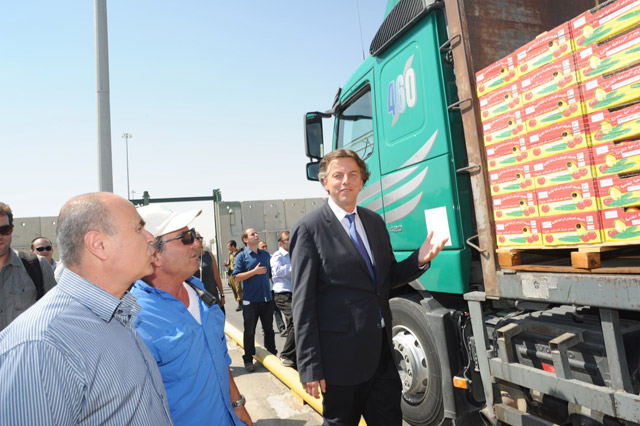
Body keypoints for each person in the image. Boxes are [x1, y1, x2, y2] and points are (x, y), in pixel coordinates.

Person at [290, 149, 448, 426]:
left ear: (362, 181)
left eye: (353, 175)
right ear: (325, 183)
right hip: (340, 363)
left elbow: (386, 279)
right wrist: (310, 366)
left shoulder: (374, 222)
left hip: (383, 357)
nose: (345, 181)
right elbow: (303, 304)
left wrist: (420, 258)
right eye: (337, 176)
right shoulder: (309, 229)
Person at [0, 193, 173, 426]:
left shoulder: (117, 313)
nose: (151, 238)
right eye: (139, 229)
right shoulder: (42, 344)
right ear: (99, 245)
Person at [131, 205, 252, 426]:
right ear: (154, 254)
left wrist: (238, 405)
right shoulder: (134, 318)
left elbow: (221, 360)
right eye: (186, 237)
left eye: (194, 234)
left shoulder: (200, 294)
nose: (197, 243)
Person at [0, 202, 56, 330]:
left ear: (12, 229)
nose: (0, 236)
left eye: (4, 230)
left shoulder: (37, 265)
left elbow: (56, 314)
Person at [233, 228, 277, 372]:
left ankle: (271, 356)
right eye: (253, 234)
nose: (256, 235)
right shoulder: (241, 256)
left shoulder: (265, 255)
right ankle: (248, 360)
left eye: (256, 233)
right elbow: (237, 277)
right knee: (249, 331)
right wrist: (254, 272)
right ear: (245, 240)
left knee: (269, 330)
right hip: (251, 301)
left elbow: (270, 274)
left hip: (267, 298)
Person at [271, 231, 295, 368]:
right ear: (281, 243)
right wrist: (294, 266)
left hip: (294, 293)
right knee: (296, 321)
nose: (291, 241)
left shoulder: (294, 254)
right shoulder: (277, 256)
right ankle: (285, 354)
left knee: (294, 324)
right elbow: (277, 271)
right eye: (288, 239)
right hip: (282, 295)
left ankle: (294, 356)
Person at [194, 231, 226, 313]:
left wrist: (222, 295)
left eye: (201, 237)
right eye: (197, 238)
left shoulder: (209, 255)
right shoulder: (187, 258)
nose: (200, 240)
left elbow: (216, 276)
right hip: (197, 298)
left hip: (212, 295)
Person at [260, 241, 285, 334]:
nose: (265, 248)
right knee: (264, 310)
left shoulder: (271, 257)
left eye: (266, 246)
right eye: (262, 247)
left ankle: (281, 327)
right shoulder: (258, 259)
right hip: (262, 289)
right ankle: (265, 327)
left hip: (272, 288)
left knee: (276, 308)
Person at [225, 240, 243, 311]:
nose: (228, 248)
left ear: (233, 246)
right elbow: (229, 262)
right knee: (233, 288)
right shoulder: (230, 254)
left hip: (238, 272)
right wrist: (226, 264)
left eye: (228, 246)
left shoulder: (240, 253)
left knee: (238, 288)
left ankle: (241, 303)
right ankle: (239, 301)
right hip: (232, 273)